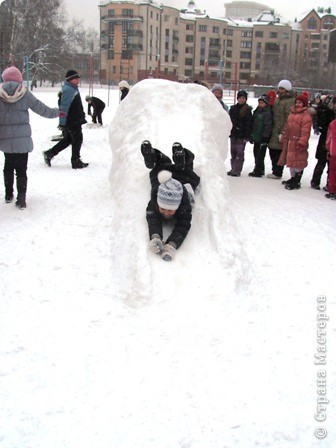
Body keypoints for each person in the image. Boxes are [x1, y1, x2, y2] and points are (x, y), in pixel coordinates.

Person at [0, 66, 59, 209]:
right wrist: (58, 113)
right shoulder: (24, 94)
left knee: (8, 165)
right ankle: (21, 199)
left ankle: (8, 194)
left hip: (5, 138)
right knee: (21, 169)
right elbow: (42, 109)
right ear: (20, 79)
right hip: (22, 140)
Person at [141, 140, 200, 261]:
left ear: (177, 207)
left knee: (176, 167)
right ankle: (157, 156)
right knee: (163, 167)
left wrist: (171, 245)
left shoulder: (184, 205)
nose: (166, 213)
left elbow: (183, 225)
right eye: (163, 208)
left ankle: (181, 157)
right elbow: (153, 218)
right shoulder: (156, 198)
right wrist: (155, 237)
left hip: (183, 177)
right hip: (168, 174)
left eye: (171, 210)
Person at [43, 70, 88, 169]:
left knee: (68, 140)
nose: (78, 80)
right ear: (70, 80)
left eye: (78, 78)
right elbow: (63, 107)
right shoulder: (69, 90)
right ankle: (75, 161)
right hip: (72, 120)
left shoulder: (71, 88)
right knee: (77, 139)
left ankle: (49, 153)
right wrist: (62, 123)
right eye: (76, 78)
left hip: (73, 119)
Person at [277, 94, 312, 190]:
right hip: (290, 140)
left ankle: (297, 179)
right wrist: (284, 135)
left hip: (298, 142)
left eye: (300, 103)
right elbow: (287, 125)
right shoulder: (292, 113)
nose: (297, 104)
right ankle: (293, 177)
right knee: (291, 160)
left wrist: (302, 142)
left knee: (298, 161)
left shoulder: (306, 116)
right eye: (296, 102)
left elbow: (305, 131)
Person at [267, 79, 295, 179]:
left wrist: (284, 130)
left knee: (279, 152)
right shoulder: (277, 99)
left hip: (282, 129)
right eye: (280, 88)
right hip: (275, 128)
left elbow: (288, 116)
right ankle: (275, 170)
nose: (281, 90)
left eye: (283, 89)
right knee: (272, 150)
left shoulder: (291, 101)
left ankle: (278, 172)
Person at [310, 95, 335, 190]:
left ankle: (330, 183)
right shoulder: (325, 112)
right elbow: (321, 124)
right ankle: (316, 181)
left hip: (330, 141)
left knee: (330, 164)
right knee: (322, 161)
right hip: (325, 139)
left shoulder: (326, 112)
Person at [227, 90, 253, 177]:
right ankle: (233, 168)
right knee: (233, 151)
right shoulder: (233, 108)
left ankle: (237, 170)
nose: (241, 100)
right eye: (240, 98)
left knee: (239, 152)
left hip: (242, 135)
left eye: (243, 98)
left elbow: (249, 123)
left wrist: (247, 135)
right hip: (233, 134)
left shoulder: (247, 110)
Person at [249, 94, 273, 177]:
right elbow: (253, 124)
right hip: (256, 136)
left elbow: (268, 126)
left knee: (260, 155)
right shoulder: (257, 111)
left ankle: (258, 170)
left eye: (262, 103)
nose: (260, 104)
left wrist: (266, 136)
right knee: (256, 153)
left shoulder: (267, 113)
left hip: (263, 137)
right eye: (259, 103)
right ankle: (259, 168)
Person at [325, 117, 336, 200]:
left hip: (333, 151)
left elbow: (329, 138)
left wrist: (328, 148)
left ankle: (332, 190)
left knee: (332, 171)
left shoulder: (333, 123)